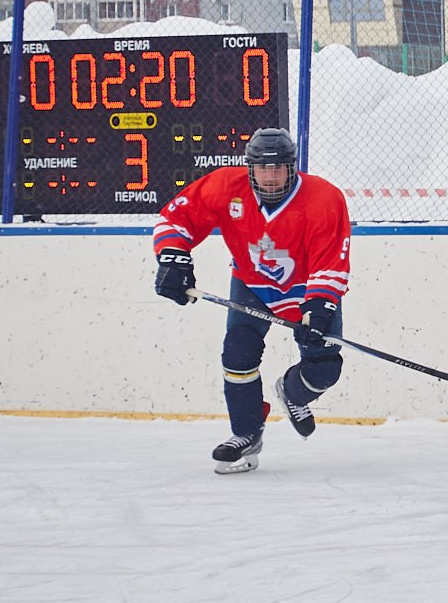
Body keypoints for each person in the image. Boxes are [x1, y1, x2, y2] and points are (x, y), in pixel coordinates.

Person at [151, 127, 353, 474]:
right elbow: (175, 218)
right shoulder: (225, 187)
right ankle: (246, 434)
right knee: (237, 352)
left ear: (292, 168)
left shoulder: (324, 198)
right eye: (263, 168)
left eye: (278, 169)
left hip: (306, 289)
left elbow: (331, 260)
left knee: (324, 370)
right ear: (250, 169)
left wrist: (319, 306)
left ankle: (293, 395)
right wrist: (173, 257)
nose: (271, 177)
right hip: (252, 285)